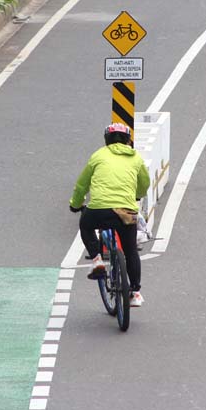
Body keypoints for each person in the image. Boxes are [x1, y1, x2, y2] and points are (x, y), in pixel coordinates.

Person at [69, 123, 150, 307]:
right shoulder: (136, 158)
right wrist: (136, 195)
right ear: (129, 140)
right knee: (130, 250)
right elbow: (144, 183)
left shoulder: (98, 155)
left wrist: (75, 205)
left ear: (106, 139)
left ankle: (97, 260)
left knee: (86, 224)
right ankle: (135, 292)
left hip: (99, 209)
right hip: (126, 212)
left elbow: (82, 184)